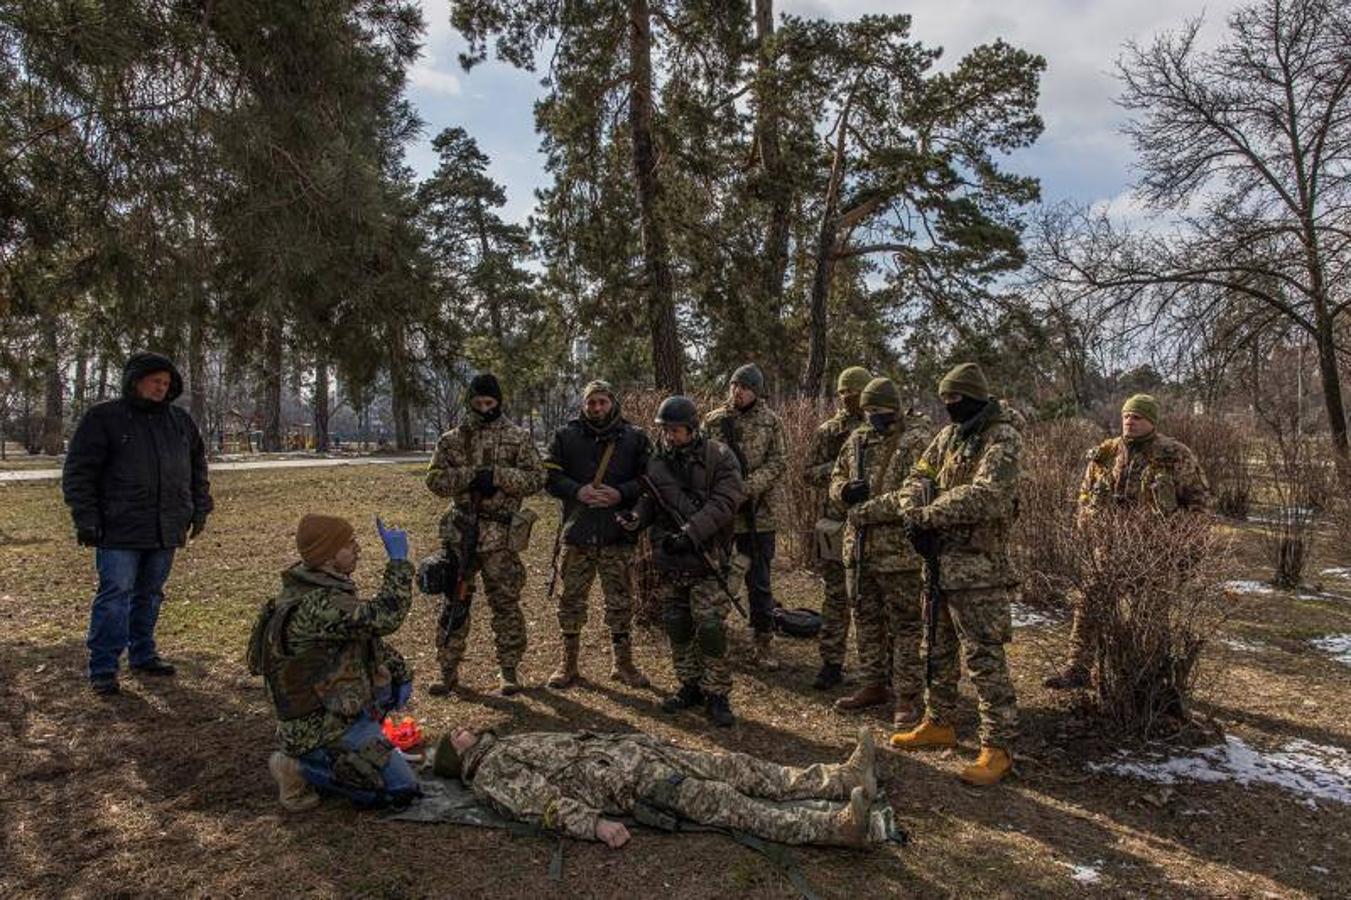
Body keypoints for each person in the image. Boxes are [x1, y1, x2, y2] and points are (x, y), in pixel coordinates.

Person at [865, 363, 1023, 787]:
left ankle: (998, 745)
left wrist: (928, 516)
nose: (950, 406)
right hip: (938, 562)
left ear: (974, 397)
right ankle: (940, 722)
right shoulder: (949, 436)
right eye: (945, 400)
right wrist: (916, 505)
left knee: (984, 657)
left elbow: (988, 495)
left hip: (979, 568)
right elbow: (920, 474)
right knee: (935, 648)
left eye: (956, 399)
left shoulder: (1002, 436)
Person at [433, 725, 881, 848]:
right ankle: (833, 829)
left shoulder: (505, 743)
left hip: (641, 754)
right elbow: (540, 804)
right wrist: (594, 826)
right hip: (631, 783)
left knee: (737, 767)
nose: (464, 728)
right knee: (729, 804)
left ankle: (842, 779)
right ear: (459, 756)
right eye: (456, 734)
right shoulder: (491, 770)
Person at [61, 351, 213, 695]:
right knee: (115, 595)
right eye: (155, 381)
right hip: (119, 528)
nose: (162, 388)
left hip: (166, 526)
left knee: (150, 594)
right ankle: (103, 666)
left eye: (166, 383)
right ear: (135, 381)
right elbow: (79, 473)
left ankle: (143, 653)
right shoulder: (104, 419)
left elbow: (197, 470)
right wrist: (85, 517)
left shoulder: (180, 422)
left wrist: (199, 507)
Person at [247, 514, 418, 811]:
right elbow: (385, 617)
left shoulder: (318, 588)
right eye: (348, 544)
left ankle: (364, 743)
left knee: (391, 678)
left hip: (336, 707)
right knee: (400, 789)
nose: (357, 548)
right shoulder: (318, 604)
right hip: (316, 726)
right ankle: (298, 767)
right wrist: (399, 563)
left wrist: (400, 674)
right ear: (327, 556)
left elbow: (363, 639)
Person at [1044, 393, 1213, 690]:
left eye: (1137, 417)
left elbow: (1199, 504)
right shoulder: (1106, 452)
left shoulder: (1174, 455)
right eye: (1126, 416)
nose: (1130, 422)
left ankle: (1143, 679)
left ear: (1152, 422)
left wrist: (1186, 548)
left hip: (1153, 553)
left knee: (1149, 617)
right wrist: (1085, 524)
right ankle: (1078, 668)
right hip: (1108, 548)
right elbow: (1086, 493)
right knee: (1088, 607)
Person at [618, 396, 745, 726]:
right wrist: (636, 518)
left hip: (708, 556)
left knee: (710, 625)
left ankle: (717, 693)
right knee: (677, 623)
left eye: (675, 430)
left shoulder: (719, 457)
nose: (670, 436)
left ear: (692, 428)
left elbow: (725, 502)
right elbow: (651, 498)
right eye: (665, 430)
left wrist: (690, 533)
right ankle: (689, 685)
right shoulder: (658, 460)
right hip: (671, 556)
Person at [425, 373, 546, 696]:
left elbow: (536, 478)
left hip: (500, 535)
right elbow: (434, 480)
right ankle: (447, 670)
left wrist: (498, 477)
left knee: (505, 603)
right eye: (477, 403)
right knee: (455, 602)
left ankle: (509, 671)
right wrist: (470, 477)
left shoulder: (517, 437)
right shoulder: (452, 439)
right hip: (461, 531)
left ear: (499, 402)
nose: (483, 408)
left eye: (489, 403)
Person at [830, 378, 933, 727]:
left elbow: (914, 494)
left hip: (899, 552)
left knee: (906, 626)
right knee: (866, 619)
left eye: (879, 410)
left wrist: (864, 510)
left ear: (895, 407)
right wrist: (843, 492)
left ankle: (907, 697)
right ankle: (872, 684)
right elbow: (835, 478)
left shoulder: (916, 441)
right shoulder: (857, 439)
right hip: (858, 550)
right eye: (868, 411)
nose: (873, 417)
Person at [541, 380, 653, 689]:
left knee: (620, 601)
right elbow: (548, 476)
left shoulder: (635, 438)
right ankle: (569, 665)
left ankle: (624, 664)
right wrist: (577, 490)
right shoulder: (565, 436)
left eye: (602, 401)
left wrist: (621, 493)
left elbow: (650, 479)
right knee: (571, 601)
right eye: (592, 402)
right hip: (577, 534)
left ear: (612, 403)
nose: (597, 408)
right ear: (583, 405)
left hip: (617, 534)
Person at [702, 364, 788, 670]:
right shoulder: (713, 421)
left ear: (756, 391)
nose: (737, 391)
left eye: (745, 387)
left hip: (759, 515)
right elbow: (701, 463)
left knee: (759, 581)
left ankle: (762, 643)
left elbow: (778, 462)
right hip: (723, 515)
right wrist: (724, 493)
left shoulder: (770, 422)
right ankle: (715, 637)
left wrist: (748, 488)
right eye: (734, 385)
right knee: (718, 575)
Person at [804, 366, 872, 690]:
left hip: (874, 523)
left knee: (872, 597)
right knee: (835, 597)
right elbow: (808, 473)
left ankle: (877, 669)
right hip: (835, 521)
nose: (849, 399)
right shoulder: (829, 431)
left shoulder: (882, 428)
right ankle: (831, 662)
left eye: (855, 393)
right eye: (844, 393)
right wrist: (843, 471)